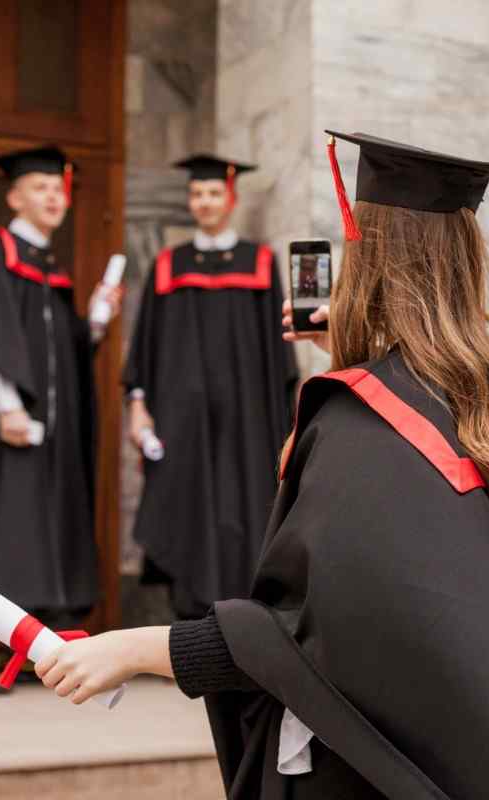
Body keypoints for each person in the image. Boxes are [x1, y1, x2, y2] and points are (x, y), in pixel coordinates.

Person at [33, 131, 489, 800]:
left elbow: (301, 632)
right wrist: (358, 351)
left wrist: (129, 651)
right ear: (468, 257)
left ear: (365, 254)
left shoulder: (357, 421)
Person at [0, 145, 123, 693]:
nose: (54, 197)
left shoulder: (48, 268)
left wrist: (97, 320)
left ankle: (35, 656)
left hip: (46, 441)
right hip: (2, 431)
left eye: (60, 190)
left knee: (34, 542)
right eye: (41, 187)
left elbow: (63, 354)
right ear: (14, 196)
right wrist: (7, 406)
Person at [123, 154, 297, 619]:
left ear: (231, 199)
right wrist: (139, 406)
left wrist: (284, 421)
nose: (204, 201)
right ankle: (190, 617)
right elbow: (144, 348)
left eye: (213, 193)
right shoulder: (168, 266)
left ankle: (243, 619)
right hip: (182, 423)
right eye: (197, 193)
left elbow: (276, 352)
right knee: (187, 505)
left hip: (247, 420)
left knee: (244, 508)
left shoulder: (258, 263)